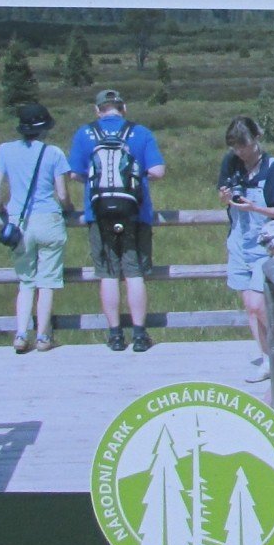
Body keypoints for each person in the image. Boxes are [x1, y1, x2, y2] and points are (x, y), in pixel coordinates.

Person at [69, 88, 166, 352]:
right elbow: (158, 170)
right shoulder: (141, 133)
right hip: (136, 213)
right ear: (123, 108)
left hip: (98, 214)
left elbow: (75, 174)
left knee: (108, 274)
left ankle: (114, 335)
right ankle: (139, 334)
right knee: (134, 274)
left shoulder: (84, 133)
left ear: (97, 109)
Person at [218, 116, 274, 381]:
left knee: (258, 303)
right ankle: (267, 359)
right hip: (240, 241)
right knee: (249, 307)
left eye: (244, 145)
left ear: (256, 139)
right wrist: (225, 198)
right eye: (235, 147)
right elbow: (223, 194)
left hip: (266, 244)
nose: (240, 151)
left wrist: (254, 208)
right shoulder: (230, 163)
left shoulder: (273, 168)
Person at [0, 102, 71, 354]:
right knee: (47, 282)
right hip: (49, 220)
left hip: (19, 222)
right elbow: (62, 194)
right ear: (44, 128)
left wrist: (0, 207)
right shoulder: (54, 153)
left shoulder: (5, 150)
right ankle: (43, 336)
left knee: (26, 281)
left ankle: (20, 334)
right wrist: (68, 208)